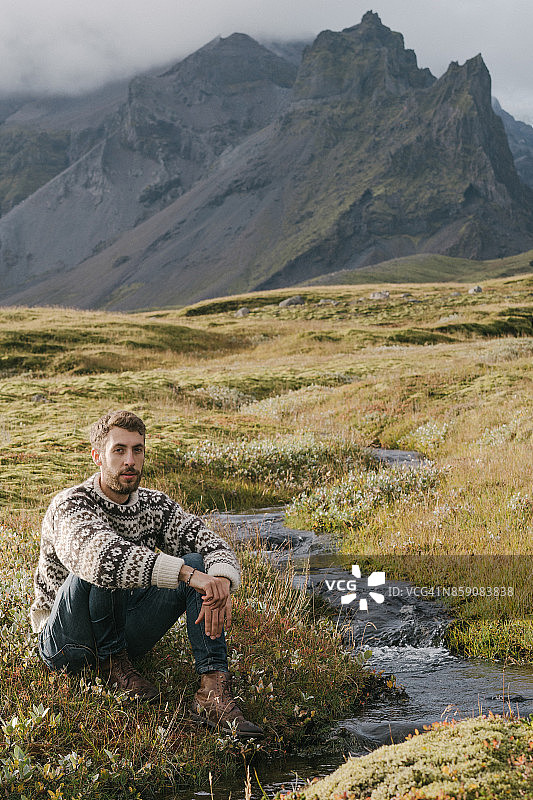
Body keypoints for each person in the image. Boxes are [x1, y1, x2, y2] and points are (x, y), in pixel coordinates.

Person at [30, 409, 263, 738]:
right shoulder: (71, 504)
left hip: (123, 631)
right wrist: (186, 575)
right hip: (67, 643)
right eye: (119, 450)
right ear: (98, 456)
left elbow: (212, 544)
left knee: (199, 560)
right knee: (106, 561)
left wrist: (220, 581)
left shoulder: (155, 505)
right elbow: (99, 557)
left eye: (137, 450)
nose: (130, 461)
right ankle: (110, 666)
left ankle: (212, 691)